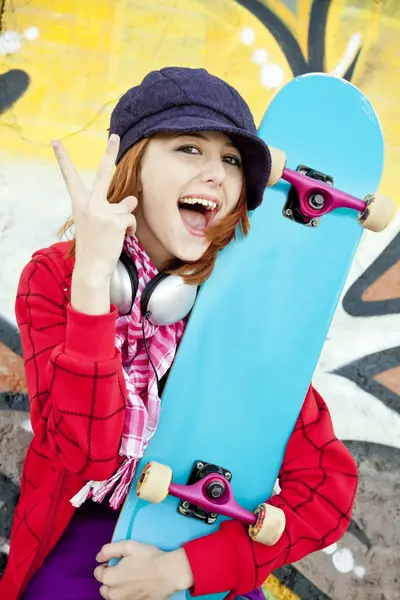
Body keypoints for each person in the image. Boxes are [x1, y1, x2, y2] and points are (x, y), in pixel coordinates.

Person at [0, 67, 358, 600]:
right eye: (190, 148)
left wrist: (190, 568)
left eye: (232, 160)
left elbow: (327, 490)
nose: (217, 174)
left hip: (199, 559)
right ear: (133, 166)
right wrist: (94, 285)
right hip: (80, 544)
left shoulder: (239, 309)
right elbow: (86, 453)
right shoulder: (57, 277)